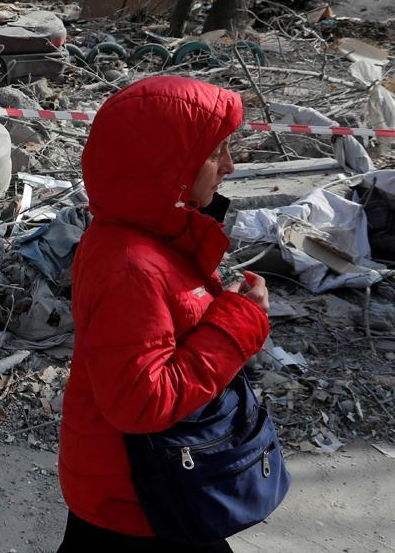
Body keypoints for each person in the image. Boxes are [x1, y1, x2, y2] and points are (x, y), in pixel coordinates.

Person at [57, 77, 272, 552]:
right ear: (168, 166)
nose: (230, 167)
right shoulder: (132, 264)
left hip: (141, 481)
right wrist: (239, 321)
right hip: (140, 495)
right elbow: (142, 402)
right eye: (217, 152)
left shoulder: (148, 235)